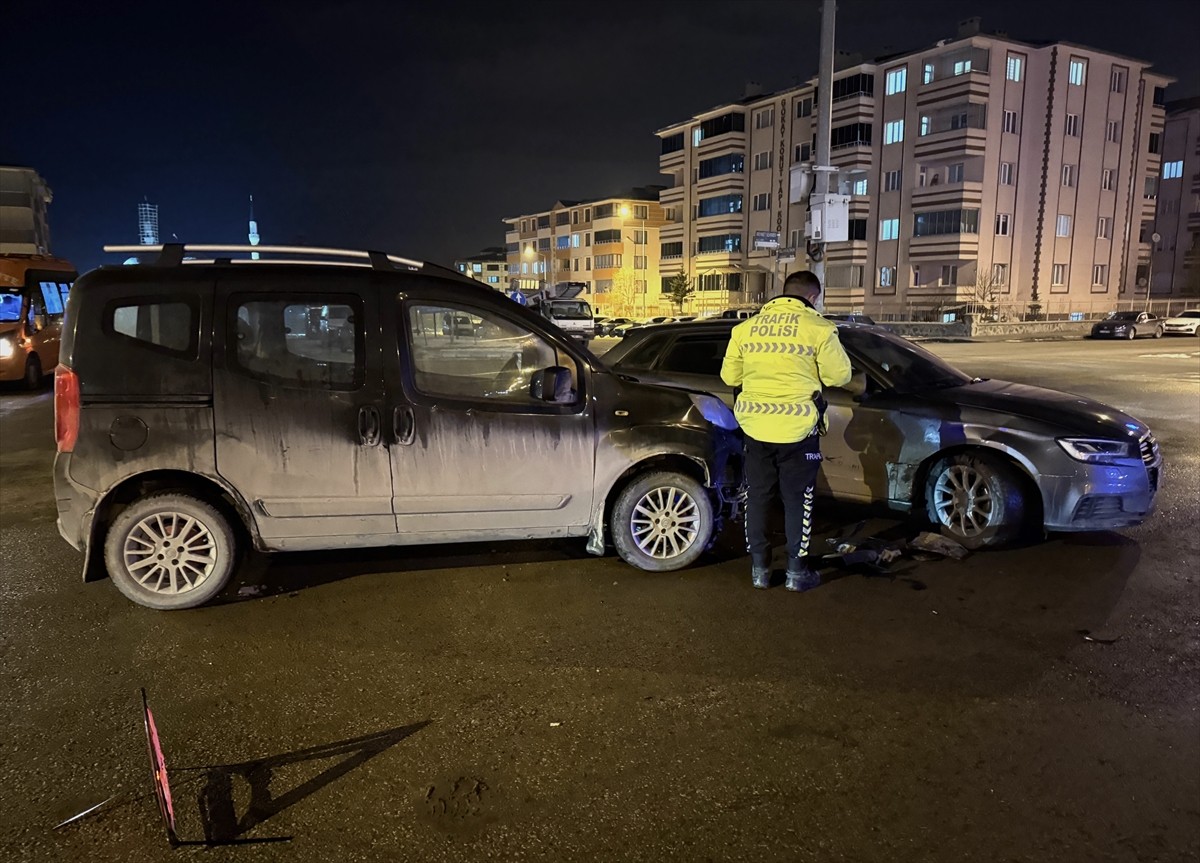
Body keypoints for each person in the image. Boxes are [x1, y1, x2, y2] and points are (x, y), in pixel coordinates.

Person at [720, 271, 853, 591]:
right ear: (813, 298)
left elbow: (729, 377)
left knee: (758, 498)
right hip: (798, 430)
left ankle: (760, 571)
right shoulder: (818, 329)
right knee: (798, 501)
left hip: (755, 429)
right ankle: (796, 573)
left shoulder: (745, 330)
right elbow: (840, 376)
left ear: (783, 293)